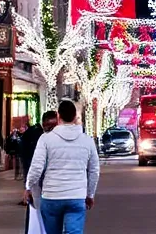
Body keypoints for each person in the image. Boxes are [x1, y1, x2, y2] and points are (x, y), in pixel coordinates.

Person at [25, 100, 100, 234]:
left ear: (58, 116)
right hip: (77, 196)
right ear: (75, 117)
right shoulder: (87, 141)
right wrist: (90, 194)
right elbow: (94, 170)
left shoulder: (46, 139)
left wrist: (28, 187)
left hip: (51, 195)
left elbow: (37, 167)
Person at [19, 111, 58, 206]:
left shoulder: (43, 133)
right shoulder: (37, 133)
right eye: (51, 125)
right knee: (33, 179)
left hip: (35, 160)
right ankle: (29, 197)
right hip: (31, 159)